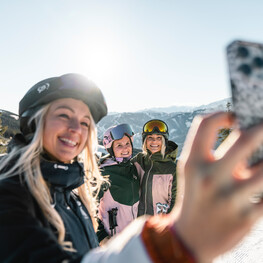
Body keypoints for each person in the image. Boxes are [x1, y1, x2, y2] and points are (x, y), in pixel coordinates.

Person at [1, 73, 263, 262]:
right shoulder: (11, 195)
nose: (75, 129)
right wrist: (170, 242)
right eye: (63, 115)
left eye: (84, 122)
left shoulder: (68, 191)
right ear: (33, 121)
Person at [96, 124, 140, 243]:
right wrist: (102, 237)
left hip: (134, 240)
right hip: (113, 242)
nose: (125, 149)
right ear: (111, 149)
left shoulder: (133, 168)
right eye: (119, 145)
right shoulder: (103, 173)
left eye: (127, 144)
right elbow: (89, 207)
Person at [132, 119, 179, 216]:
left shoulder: (172, 169)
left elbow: (176, 200)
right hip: (137, 222)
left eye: (159, 138)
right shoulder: (139, 160)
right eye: (150, 138)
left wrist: (165, 223)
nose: (154, 141)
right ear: (145, 141)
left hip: (158, 224)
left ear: (164, 141)